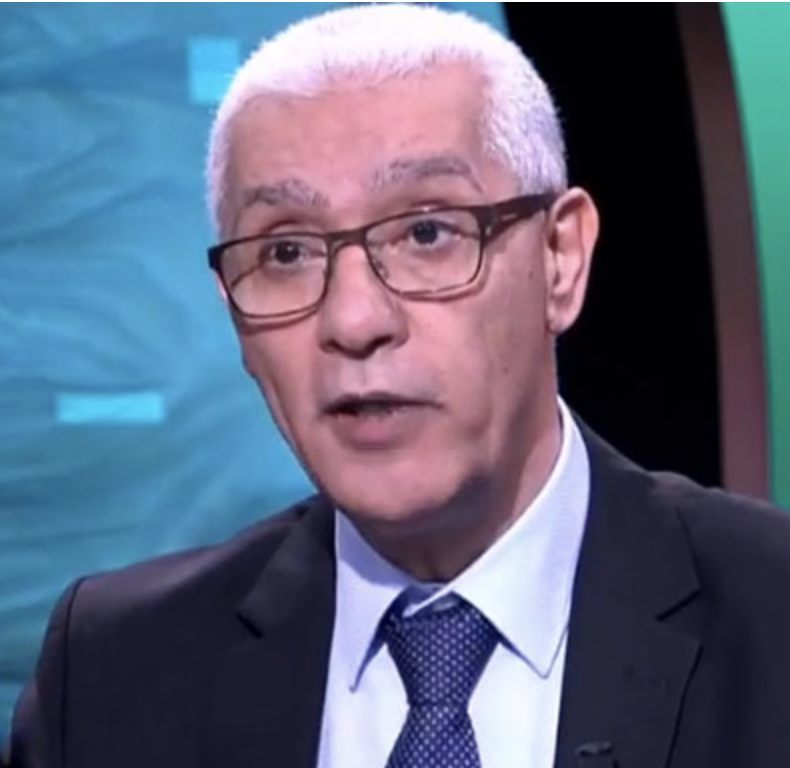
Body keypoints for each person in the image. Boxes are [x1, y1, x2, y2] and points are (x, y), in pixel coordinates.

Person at [7, 4, 790, 768]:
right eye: (286, 253)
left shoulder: (772, 617)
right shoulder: (111, 677)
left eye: (426, 232)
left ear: (560, 259)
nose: (354, 320)